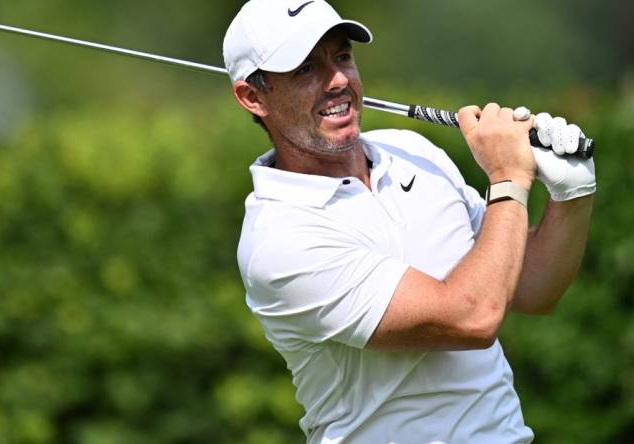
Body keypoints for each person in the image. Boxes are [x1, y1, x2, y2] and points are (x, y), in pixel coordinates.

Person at [223, 1, 596, 443]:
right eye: (306, 69)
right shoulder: (279, 239)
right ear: (253, 97)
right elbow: (473, 318)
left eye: (341, 57)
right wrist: (510, 179)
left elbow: (532, 287)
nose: (338, 80)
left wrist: (571, 195)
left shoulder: (412, 150)